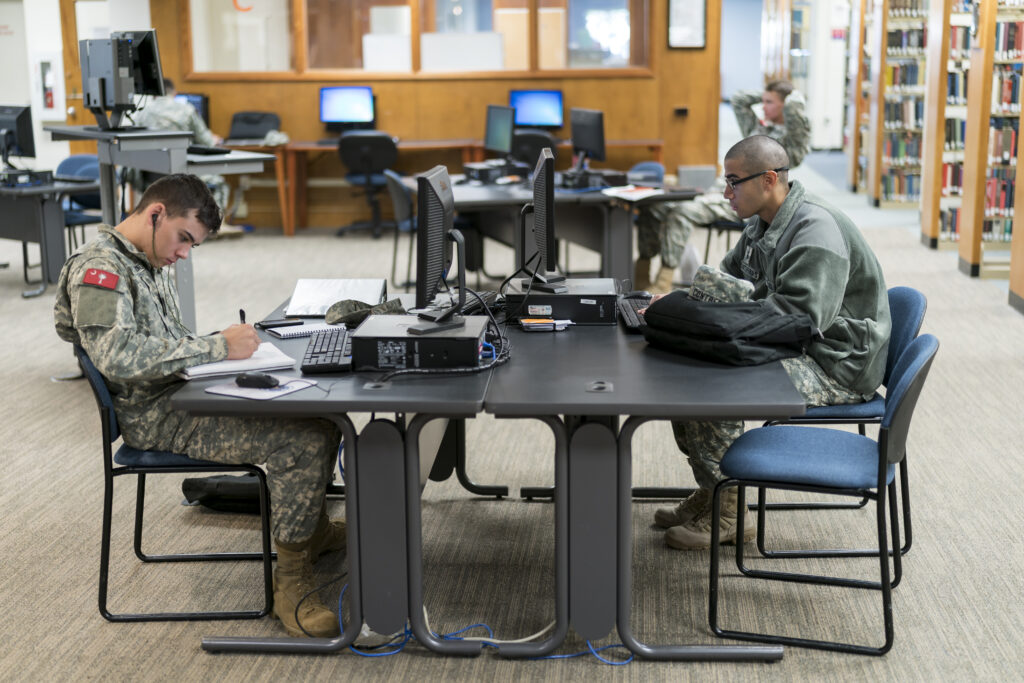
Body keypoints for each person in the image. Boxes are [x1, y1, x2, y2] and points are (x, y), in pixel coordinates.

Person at [54, 174, 343, 636]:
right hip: (156, 416)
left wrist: (221, 348)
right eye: (183, 238)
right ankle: (291, 585)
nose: (184, 253)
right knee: (303, 439)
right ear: (155, 214)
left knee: (323, 417)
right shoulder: (100, 269)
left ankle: (311, 532)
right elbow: (118, 357)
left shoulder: (146, 259)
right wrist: (217, 350)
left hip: (181, 392)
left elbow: (166, 343)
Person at [648, 135, 891, 550]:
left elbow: (799, 320)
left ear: (769, 179)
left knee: (714, 385)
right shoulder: (764, 222)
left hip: (835, 362)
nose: (725, 193)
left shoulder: (816, 230)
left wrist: (708, 323)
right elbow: (728, 279)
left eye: (733, 181)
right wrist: (683, 307)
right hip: (803, 342)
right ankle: (715, 491)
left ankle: (730, 513)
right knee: (689, 366)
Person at [635, 80, 811, 294]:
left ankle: (663, 282)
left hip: (748, 200)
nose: (763, 106)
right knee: (652, 205)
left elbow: (795, 114)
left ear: (786, 106)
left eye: (769, 102)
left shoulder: (794, 138)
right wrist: (768, 96)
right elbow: (739, 100)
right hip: (720, 189)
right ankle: (641, 274)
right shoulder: (758, 128)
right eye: (763, 101)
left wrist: (792, 97)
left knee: (681, 212)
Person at [129, 78, 231, 216]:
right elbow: (207, 142)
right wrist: (214, 139)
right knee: (219, 184)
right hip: (182, 174)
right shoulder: (187, 110)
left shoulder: (141, 112)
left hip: (150, 176)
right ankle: (212, 228)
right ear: (174, 93)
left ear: (154, 95)